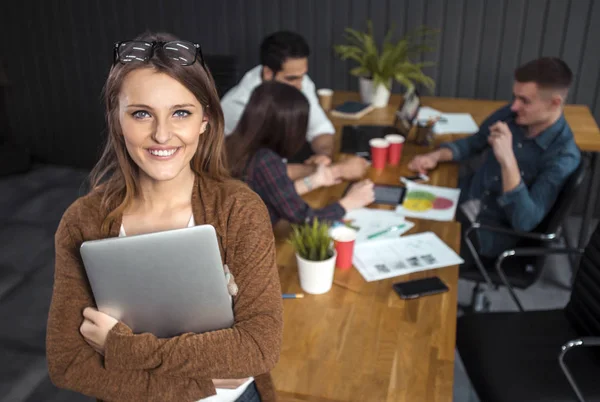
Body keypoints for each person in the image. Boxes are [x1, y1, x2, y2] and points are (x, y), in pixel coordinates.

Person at [46, 32, 283, 402]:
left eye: (181, 113)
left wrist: (121, 347)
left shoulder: (239, 210)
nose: (161, 134)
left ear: (204, 119)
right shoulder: (84, 221)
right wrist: (196, 383)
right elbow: (68, 363)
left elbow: (258, 348)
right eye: (141, 113)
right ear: (116, 119)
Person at [408, 57, 581, 258]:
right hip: (463, 200)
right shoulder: (512, 114)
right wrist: (436, 156)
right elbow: (474, 142)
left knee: (409, 254)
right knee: (398, 215)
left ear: (554, 103)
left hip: (487, 233)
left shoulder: (563, 156)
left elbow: (524, 221)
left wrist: (507, 159)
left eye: (525, 100)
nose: (514, 106)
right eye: (515, 97)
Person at [221, 30, 368, 181]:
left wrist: (323, 156)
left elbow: (319, 128)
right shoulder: (238, 107)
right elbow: (261, 174)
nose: (300, 86)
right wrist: (329, 170)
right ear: (268, 73)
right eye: (292, 79)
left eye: (302, 76)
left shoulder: (300, 82)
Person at [226, 81, 375, 224]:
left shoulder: (232, 143)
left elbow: (276, 194)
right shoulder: (265, 160)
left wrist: (314, 181)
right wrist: (349, 202)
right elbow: (306, 220)